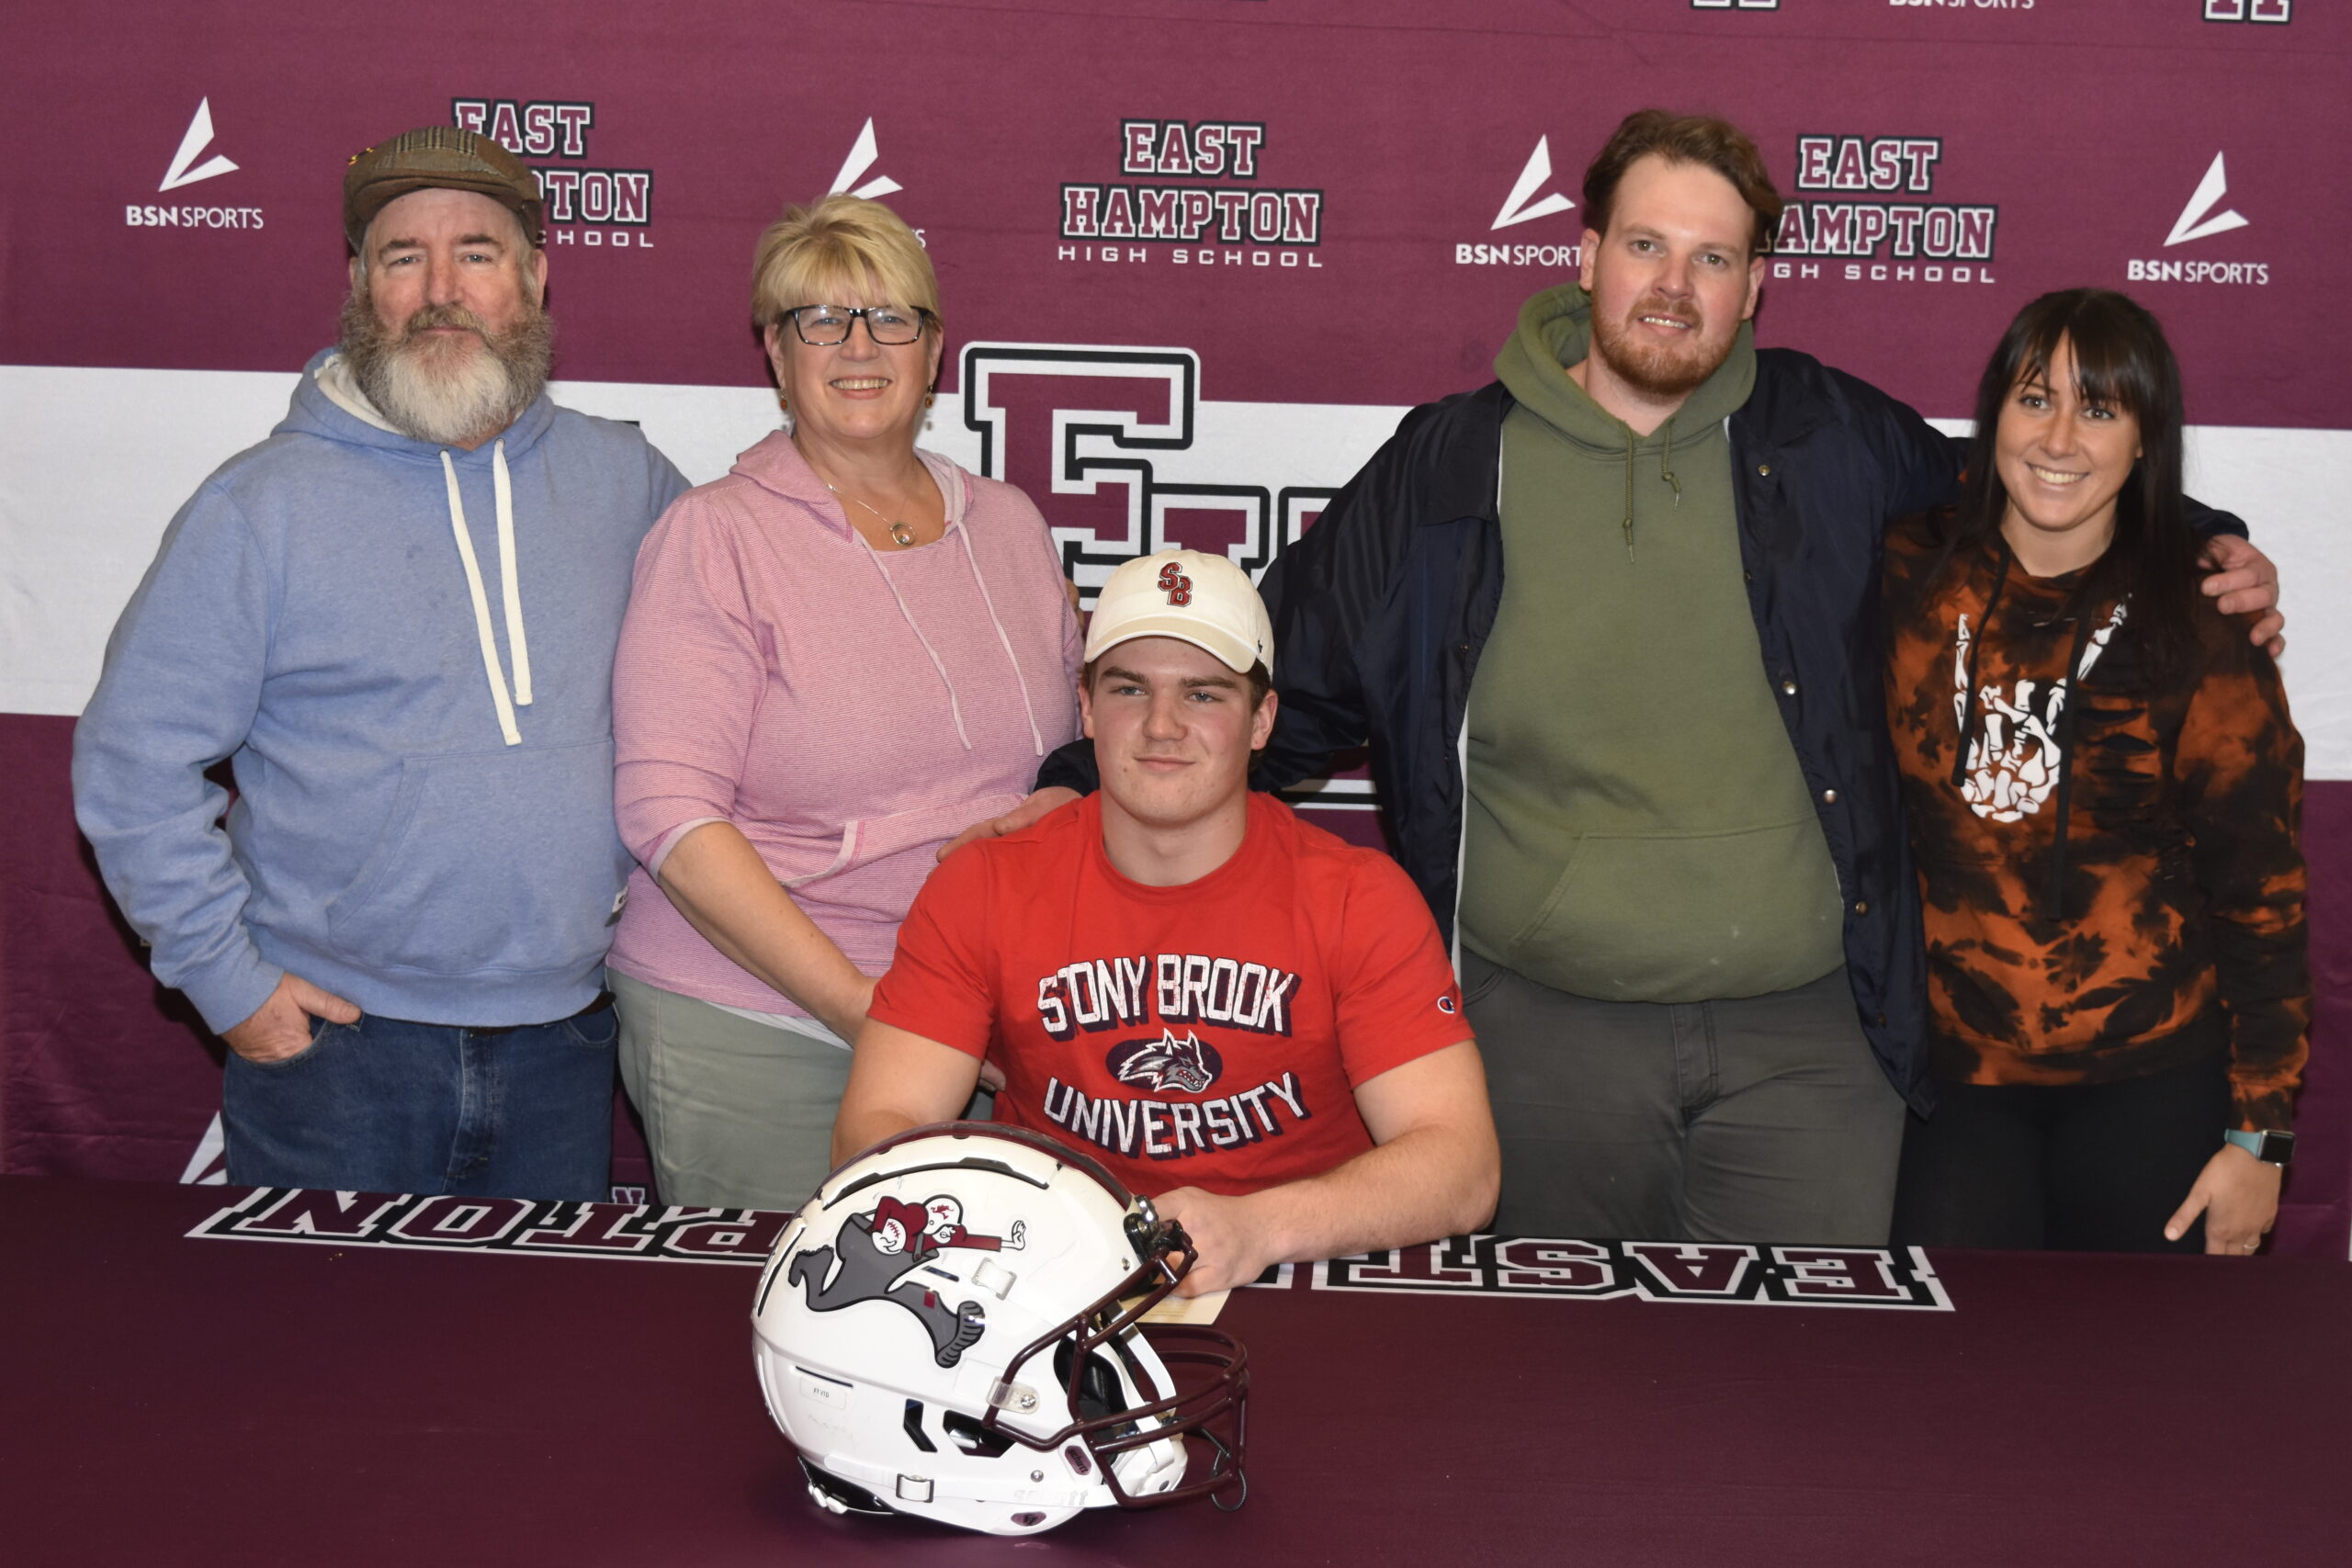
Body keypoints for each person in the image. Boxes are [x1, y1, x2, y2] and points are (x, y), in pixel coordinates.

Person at [981, 109, 2283, 1246]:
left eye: (1714, 257)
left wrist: (2203, 552)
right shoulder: (1448, 465)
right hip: (1537, 1038)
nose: (1676, 283)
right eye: (1648, 245)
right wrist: (1071, 779)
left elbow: (2033, 502)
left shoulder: (1834, 438)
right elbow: (1272, 669)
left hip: (1813, 1046)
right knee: (1548, 1403)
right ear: (1586, 254)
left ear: (1757, 285)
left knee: (1801, 1405)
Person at [74, 126, 689, 1200]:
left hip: (570, 1042)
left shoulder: (629, 483)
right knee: (318, 1366)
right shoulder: (258, 507)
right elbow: (131, 766)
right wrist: (232, 988)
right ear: (362, 285)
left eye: (479, 254)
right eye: (404, 257)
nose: (441, 289)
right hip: (339, 1055)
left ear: (537, 277)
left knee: (543, 1365)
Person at [833, 549, 1499, 1293]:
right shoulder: (981, 886)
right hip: (1052, 1279)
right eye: (1129, 688)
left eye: (1205, 695)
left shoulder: (1359, 898)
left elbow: (1461, 1166)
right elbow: (879, 1127)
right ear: (1084, 707)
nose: (1161, 725)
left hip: (1298, 1272)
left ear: (1262, 719)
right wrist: (1001, 1238)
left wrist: (1259, 1227)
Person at [606, 195, 1081, 1211]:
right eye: (818, 319)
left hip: (983, 1024)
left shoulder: (1009, 525)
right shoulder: (716, 537)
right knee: (784, 1338)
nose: (857, 346)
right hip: (764, 1026)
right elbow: (671, 816)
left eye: (889, 317)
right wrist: (868, 1013)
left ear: (935, 347)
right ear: (775, 354)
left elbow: (1065, 758)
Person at [1883, 289, 2306, 1255]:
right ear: (1994, 418)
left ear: (2146, 437)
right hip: (1951, 1087)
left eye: (2100, 409)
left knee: (2138, 1395)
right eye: (2035, 401)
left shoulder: (2201, 622)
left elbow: (2261, 892)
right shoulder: (1903, 573)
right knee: (1947, 1387)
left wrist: (2260, 1137)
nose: (2060, 438)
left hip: (2151, 1084)